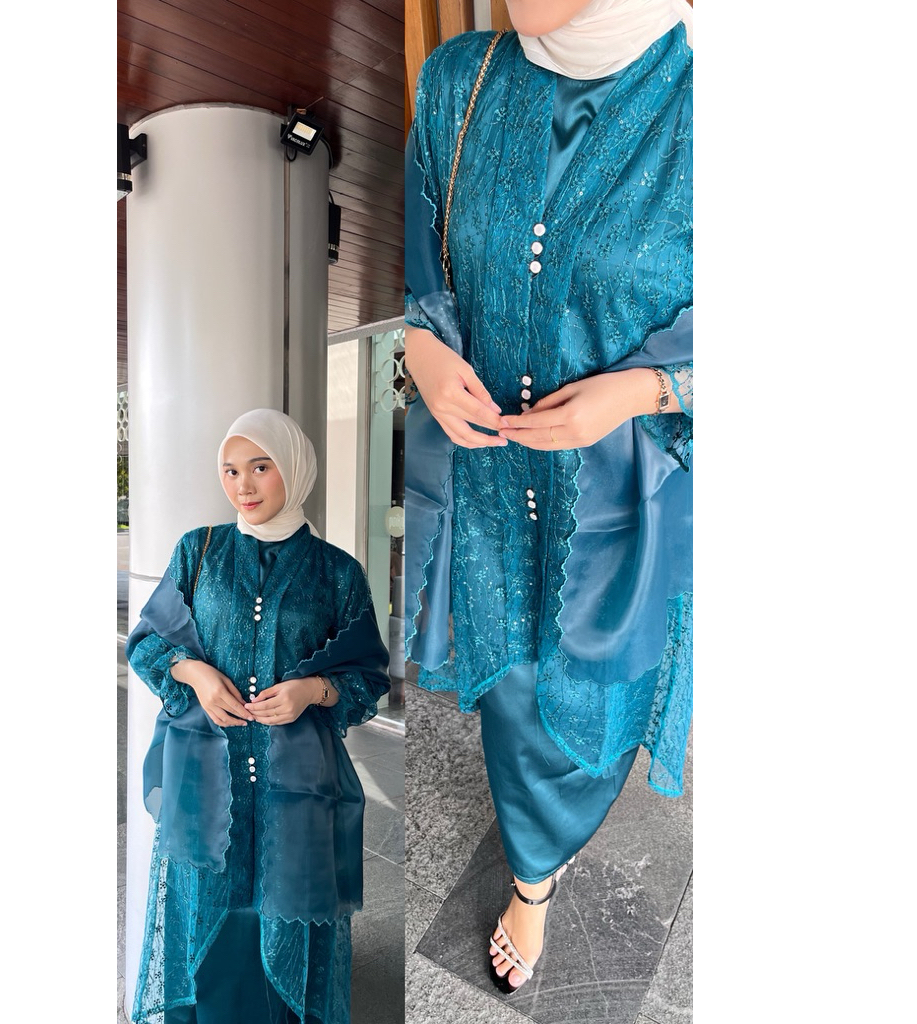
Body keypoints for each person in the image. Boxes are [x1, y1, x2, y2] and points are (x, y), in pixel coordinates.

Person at [403, 0, 693, 995]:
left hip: (624, 509)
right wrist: (421, 344)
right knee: (512, 698)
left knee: (596, 699)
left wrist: (647, 390)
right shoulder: (460, 80)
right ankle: (531, 876)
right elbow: (422, 261)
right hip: (489, 486)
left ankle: (554, 844)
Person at [127, 408, 390, 1023]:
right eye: (230, 470)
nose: (243, 485)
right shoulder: (199, 551)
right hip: (204, 780)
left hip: (296, 788)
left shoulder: (338, 573)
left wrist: (313, 691)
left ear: (293, 469)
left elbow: (368, 678)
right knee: (205, 916)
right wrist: (192, 673)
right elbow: (146, 642)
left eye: (260, 467)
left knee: (287, 915)